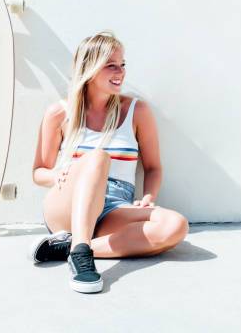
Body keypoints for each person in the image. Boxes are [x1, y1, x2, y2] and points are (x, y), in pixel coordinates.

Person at [29, 31, 189, 293]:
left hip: (114, 206)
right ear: (89, 69)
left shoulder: (137, 111)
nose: (120, 72)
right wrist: (58, 175)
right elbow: (38, 172)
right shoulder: (59, 113)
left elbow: (153, 167)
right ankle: (82, 257)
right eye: (111, 65)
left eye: (123, 64)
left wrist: (148, 196)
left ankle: (69, 247)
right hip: (67, 203)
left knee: (175, 226)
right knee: (97, 158)